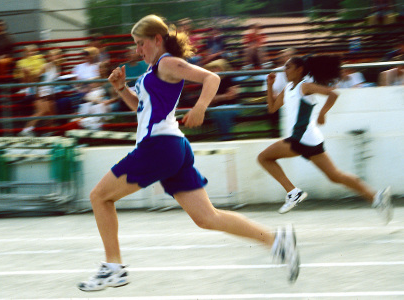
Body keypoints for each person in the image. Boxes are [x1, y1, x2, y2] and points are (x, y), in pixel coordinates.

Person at [77, 14, 300, 292]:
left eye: (141, 43)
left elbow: (212, 78)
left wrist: (201, 106)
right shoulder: (152, 70)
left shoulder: (167, 62)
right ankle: (276, 241)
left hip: (158, 146)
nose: (137, 50)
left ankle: (113, 268)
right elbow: (141, 109)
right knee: (207, 218)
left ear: (157, 39)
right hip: (173, 147)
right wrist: (121, 88)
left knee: (99, 197)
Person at [257, 55, 393, 222]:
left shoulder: (304, 87)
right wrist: (270, 86)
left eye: (288, 67)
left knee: (263, 157)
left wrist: (322, 113)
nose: (284, 71)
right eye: (285, 68)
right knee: (335, 175)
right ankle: (376, 197)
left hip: (301, 138)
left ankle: (293, 193)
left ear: (299, 70)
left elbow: (332, 94)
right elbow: (271, 108)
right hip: (311, 139)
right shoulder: (288, 89)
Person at [204, 59, 241, 141]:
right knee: (219, 111)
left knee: (223, 110)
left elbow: (232, 95)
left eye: (216, 68)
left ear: (222, 68)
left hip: (233, 106)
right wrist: (225, 96)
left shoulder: (230, 78)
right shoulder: (209, 81)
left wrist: (217, 97)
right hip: (216, 108)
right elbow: (209, 100)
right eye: (212, 68)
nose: (213, 70)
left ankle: (225, 137)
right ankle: (227, 137)